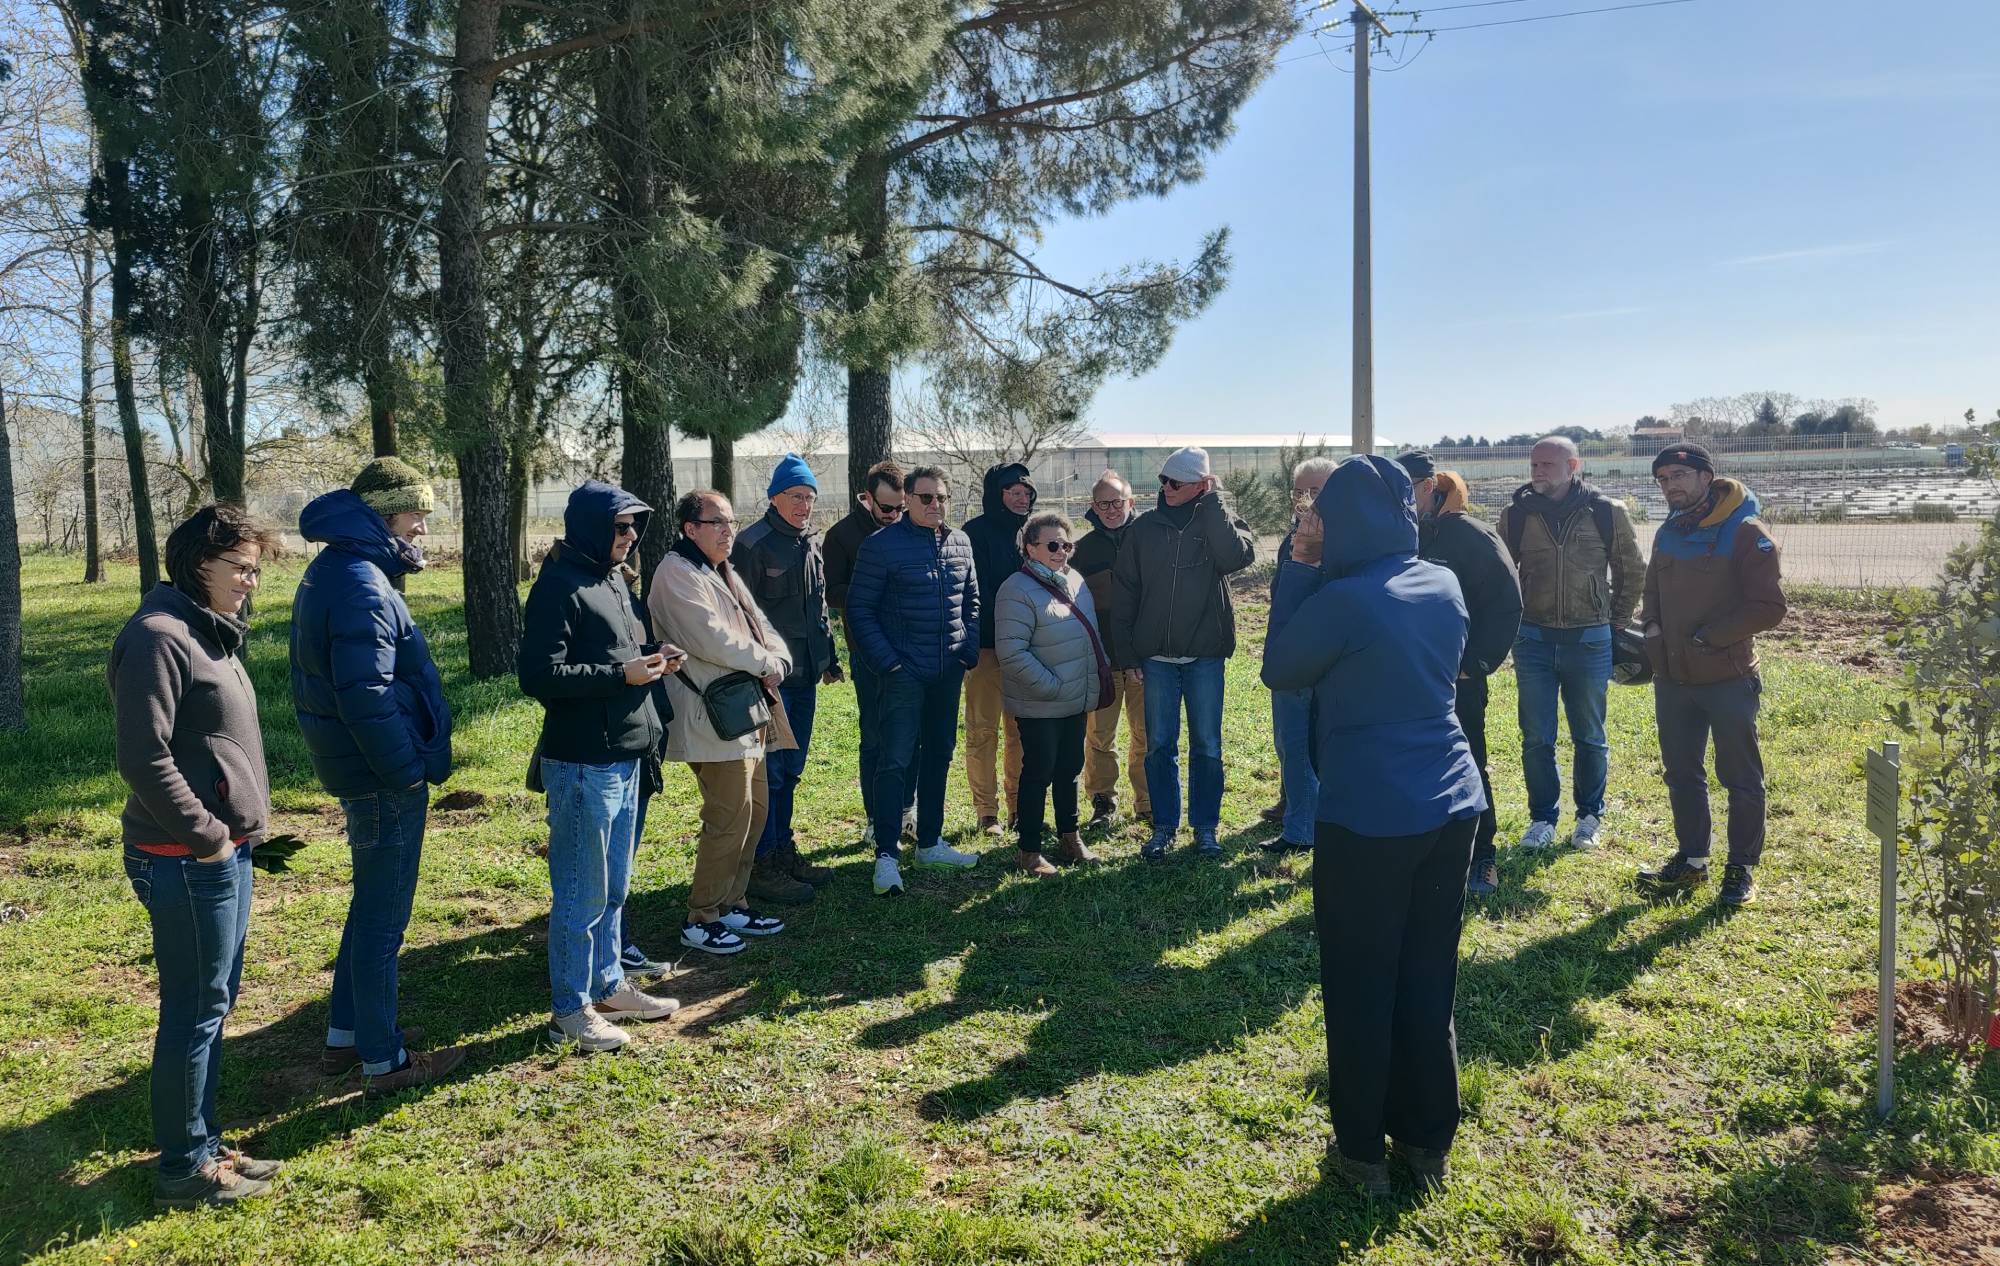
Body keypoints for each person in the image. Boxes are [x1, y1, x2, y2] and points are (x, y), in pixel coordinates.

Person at [1262, 455, 1486, 1197]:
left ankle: (1361, 1154)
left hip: (1370, 814)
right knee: (1428, 977)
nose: (1311, 524)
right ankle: (1428, 1142)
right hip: (1452, 801)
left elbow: (1283, 668)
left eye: (1320, 513)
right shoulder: (1441, 581)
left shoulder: (1344, 599)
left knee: (1361, 982)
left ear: (1344, 521)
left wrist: (1298, 568)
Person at [111, 505, 285, 1207]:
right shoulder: (158, 636)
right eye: (239, 568)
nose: (250, 581)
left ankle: (207, 1145)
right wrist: (207, 837)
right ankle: (184, 1167)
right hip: (184, 858)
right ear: (197, 564)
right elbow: (142, 756)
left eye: (254, 569)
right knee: (194, 1008)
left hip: (222, 853)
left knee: (215, 1001)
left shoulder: (206, 631)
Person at [291, 458, 467, 1096]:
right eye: (416, 512)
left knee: (368, 908)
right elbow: (365, 697)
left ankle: (346, 1036)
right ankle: (383, 1060)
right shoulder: (363, 582)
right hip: (380, 777)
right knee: (384, 921)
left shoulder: (338, 570)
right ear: (384, 514)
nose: (423, 526)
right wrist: (408, 770)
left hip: (360, 771)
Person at [519, 481, 682, 1053]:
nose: (631, 536)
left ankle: (608, 986)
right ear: (591, 527)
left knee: (614, 887)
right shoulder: (559, 586)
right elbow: (539, 676)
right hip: (585, 763)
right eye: (621, 527)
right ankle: (570, 1009)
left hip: (628, 753)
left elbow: (621, 652)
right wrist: (623, 676)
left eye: (635, 526)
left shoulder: (613, 578)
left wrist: (654, 660)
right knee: (581, 892)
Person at [1636, 443, 1786, 907]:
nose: (1670, 485)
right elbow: (1652, 590)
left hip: (1727, 677)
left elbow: (1769, 607)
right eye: (1662, 479)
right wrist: (1653, 627)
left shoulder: (1745, 531)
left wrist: (1709, 638)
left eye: (1679, 474)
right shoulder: (1669, 530)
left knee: (1740, 777)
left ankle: (1740, 868)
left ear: (1706, 476)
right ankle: (1693, 860)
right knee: (1681, 772)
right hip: (1673, 679)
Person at [653, 489, 797, 954]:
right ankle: (703, 915)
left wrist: (779, 657)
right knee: (728, 816)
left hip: (743, 711)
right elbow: (709, 637)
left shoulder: (722, 570)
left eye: (732, 522)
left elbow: (759, 623)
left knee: (754, 811)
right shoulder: (675, 573)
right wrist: (764, 664)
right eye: (717, 522)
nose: (728, 531)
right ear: (689, 528)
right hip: (711, 714)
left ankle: (734, 902)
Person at [1494, 436, 1644, 852]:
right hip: (1533, 641)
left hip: (1590, 641)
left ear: (1572, 465)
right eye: (1534, 464)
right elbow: (1501, 576)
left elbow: (1632, 570)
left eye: (1547, 464)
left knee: (1589, 735)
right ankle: (1542, 819)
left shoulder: (1605, 512)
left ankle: (1589, 816)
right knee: (1536, 736)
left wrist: (1614, 624)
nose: (1538, 471)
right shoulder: (1516, 515)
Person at [1109, 446, 1257, 859]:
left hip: (1205, 657)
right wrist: (1128, 655)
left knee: (1208, 744)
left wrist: (1213, 505)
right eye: (1163, 480)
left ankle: (1206, 828)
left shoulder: (1221, 523)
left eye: (1177, 482)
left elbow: (1234, 557)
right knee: (1159, 745)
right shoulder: (1144, 529)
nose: (1167, 488)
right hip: (1155, 659)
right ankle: (1164, 827)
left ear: (1201, 486)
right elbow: (1125, 593)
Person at [846, 465, 983, 895]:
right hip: (903, 672)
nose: (936, 505)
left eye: (942, 497)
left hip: (947, 671)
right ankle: (887, 854)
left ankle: (930, 841)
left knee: (939, 754)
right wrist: (889, 663)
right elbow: (859, 611)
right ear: (907, 499)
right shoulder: (881, 546)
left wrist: (967, 650)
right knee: (895, 758)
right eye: (926, 498)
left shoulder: (960, 542)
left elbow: (972, 600)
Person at [1398, 452, 1524, 896]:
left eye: (1409, 486)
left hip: (1457, 679)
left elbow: (1507, 603)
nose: (1402, 496)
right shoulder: (1400, 534)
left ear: (1431, 486)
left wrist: (1476, 665)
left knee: (1468, 762)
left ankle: (1482, 856)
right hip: (1407, 675)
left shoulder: (1472, 536)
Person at [731, 454, 839, 905]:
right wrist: (758, 668)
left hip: (804, 676)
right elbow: (740, 614)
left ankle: (783, 849)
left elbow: (818, 608)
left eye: (810, 497)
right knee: (771, 773)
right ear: (774, 497)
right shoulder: (753, 544)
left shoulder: (809, 542)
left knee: (791, 770)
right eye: (796, 496)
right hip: (770, 681)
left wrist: (829, 657)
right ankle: (763, 862)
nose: (804, 505)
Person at [994, 511, 1110, 873]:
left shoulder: (1073, 580)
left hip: (1074, 699)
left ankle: (1069, 836)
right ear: (1030, 548)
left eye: (1067, 544)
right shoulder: (1015, 589)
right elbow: (1012, 652)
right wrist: (1053, 687)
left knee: (1069, 769)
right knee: (1038, 772)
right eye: (1053, 545)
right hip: (1041, 701)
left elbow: (1089, 634)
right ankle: (1029, 850)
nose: (1061, 551)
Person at [824, 460, 914, 848]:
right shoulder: (841, 536)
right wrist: (876, 590)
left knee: (913, 735)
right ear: (866, 498)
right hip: (869, 651)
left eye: (901, 507)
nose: (895, 516)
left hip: (915, 649)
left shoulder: (914, 528)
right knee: (876, 737)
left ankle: (907, 812)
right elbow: (831, 592)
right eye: (887, 508)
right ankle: (878, 818)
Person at [1260, 456, 1338, 854]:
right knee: (1289, 741)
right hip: (1289, 652)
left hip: (1318, 657)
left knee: (1306, 742)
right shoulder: (1295, 536)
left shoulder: (1343, 541)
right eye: (1299, 490)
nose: (1305, 499)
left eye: (1316, 490)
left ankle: (1304, 829)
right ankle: (1299, 813)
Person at [1071, 472, 1150, 827]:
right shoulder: (1083, 551)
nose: (1111, 509)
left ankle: (1148, 803)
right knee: (1099, 735)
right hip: (1103, 659)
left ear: (1130, 502)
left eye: (1117, 501)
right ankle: (1102, 801)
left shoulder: (1151, 539)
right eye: (1103, 503)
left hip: (1146, 657)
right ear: (1093, 507)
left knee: (1147, 733)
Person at [961, 462, 1036, 834]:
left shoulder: (1035, 534)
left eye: (1026, 493)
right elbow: (970, 593)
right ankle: (986, 812)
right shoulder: (973, 534)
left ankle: (1019, 807)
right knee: (982, 730)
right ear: (997, 495)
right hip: (986, 649)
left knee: (1020, 732)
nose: (1022, 499)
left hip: (1027, 649)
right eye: (1013, 492)